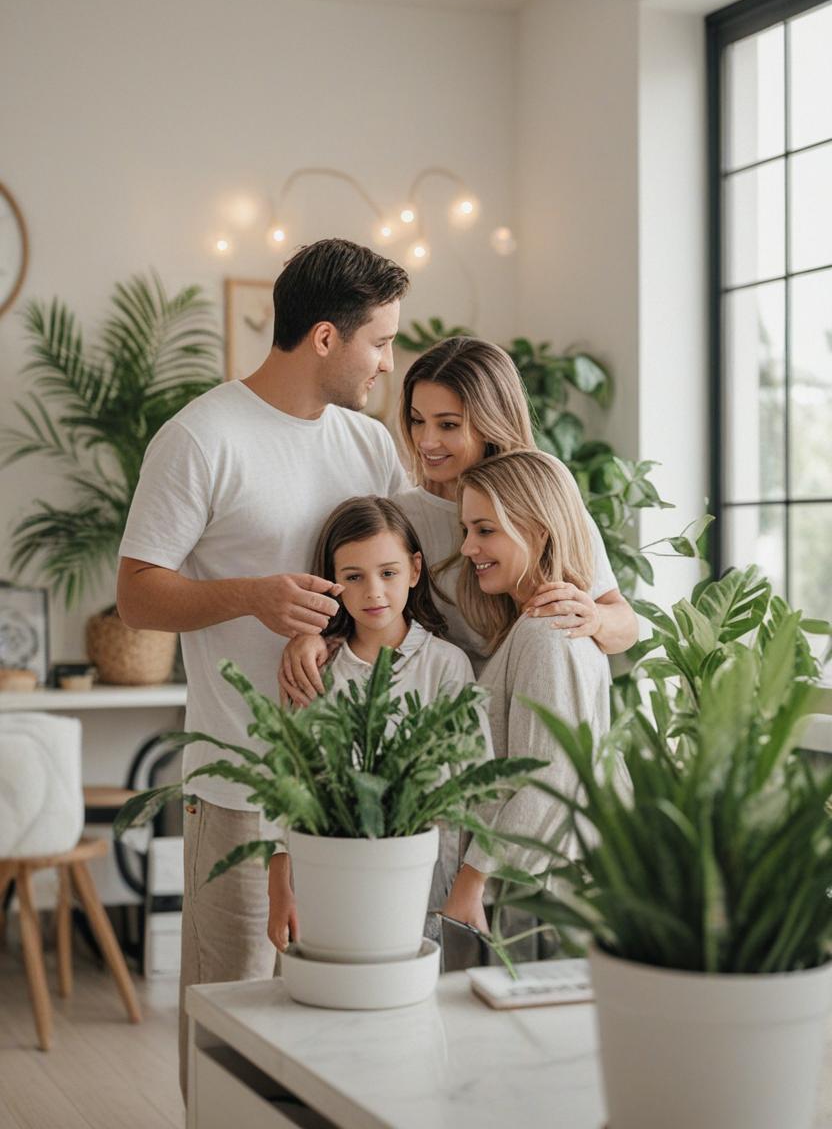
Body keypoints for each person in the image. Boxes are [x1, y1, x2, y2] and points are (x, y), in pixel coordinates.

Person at [115, 238, 410, 1095]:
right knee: (230, 1018)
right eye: (379, 342)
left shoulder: (371, 448)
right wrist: (253, 597)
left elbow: (395, 590)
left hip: (354, 793)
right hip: (240, 786)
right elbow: (137, 597)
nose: (386, 364)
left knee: (340, 1018)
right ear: (325, 338)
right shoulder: (200, 437)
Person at [279, 336, 637, 702]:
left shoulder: (540, 496)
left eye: (448, 425)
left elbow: (625, 624)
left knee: (553, 632)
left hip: (542, 688)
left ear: (491, 422)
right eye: (418, 421)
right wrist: (312, 637)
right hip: (454, 709)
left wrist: (594, 618)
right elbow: (360, 603)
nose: (427, 441)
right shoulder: (404, 517)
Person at [266, 495, 486, 954]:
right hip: (326, 877)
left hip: (426, 879)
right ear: (332, 582)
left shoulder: (446, 666)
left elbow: (473, 780)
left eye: (388, 573)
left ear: (415, 569)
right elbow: (288, 783)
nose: (374, 592)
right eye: (353, 577)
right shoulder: (317, 669)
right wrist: (279, 887)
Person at [441, 450, 612, 932]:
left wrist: (470, 882)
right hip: (527, 883)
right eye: (466, 531)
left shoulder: (549, 631)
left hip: (534, 892)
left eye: (485, 529)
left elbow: (548, 780)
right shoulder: (537, 625)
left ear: (538, 530)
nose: (469, 547)